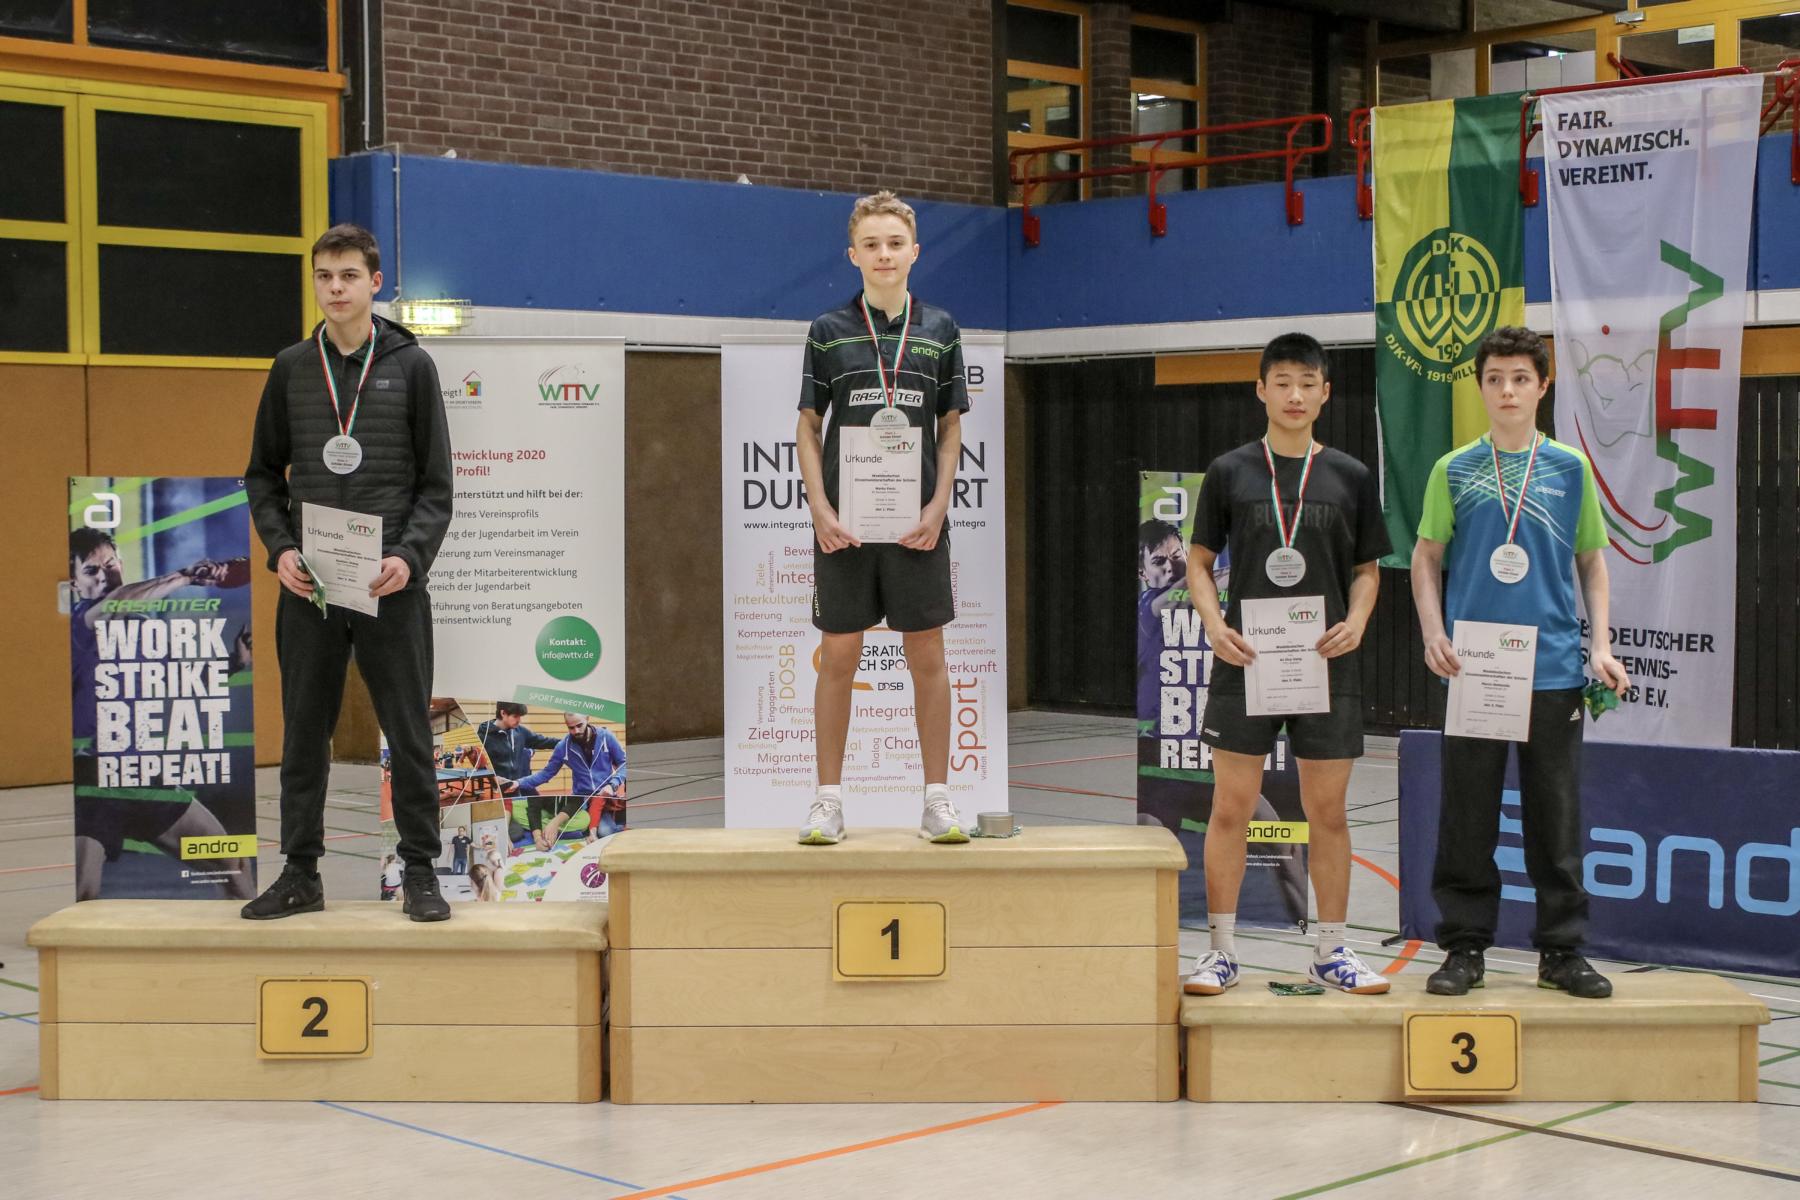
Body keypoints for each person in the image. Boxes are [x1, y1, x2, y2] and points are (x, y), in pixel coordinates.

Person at [241, 223, 454, 922]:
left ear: (375, 282)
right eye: (324, 276)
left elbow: (436, 487)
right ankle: (300, 873)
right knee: (304, 734)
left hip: (391, 585)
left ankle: (420, 872)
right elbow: (261, 475)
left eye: (348, 276)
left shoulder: (412, 366)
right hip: (312, 587)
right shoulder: (291, 368)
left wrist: (408, 558)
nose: (335, 288)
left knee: (409, 732)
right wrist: (281, 550)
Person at [1411, 326, 1630, 1001]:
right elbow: (1426, 558)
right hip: (1474, 668)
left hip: (1554, 668)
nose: (1507, 390)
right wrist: (1433, 632)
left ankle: (1562, 953)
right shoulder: (1453, 469)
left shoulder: (1569, 468)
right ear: (1480, 387)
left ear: (1542, 385)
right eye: (1495, 378)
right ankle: (1465, 947)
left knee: (1554, 820)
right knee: (1467, 817)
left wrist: (1600, 644)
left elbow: (1593, 562)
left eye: (1520, 378)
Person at [1182, 332, 1392, 997]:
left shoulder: (1351, 476)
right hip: (1246, 661)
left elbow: (1367, 570)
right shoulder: (1230, 472)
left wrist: (1357, 621)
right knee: (1231, 808)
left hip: (1325, 665)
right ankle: (1220, 952)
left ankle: (1332, 950)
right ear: (1261, 390)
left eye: (1307, 383)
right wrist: (1215, 626)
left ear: (1326, 392)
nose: (1295, 395)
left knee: (1327, 811)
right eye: (1283, 383)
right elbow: (1197, 561)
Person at [795, 190, 972, 846]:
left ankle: (937, 801)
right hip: (845, 527)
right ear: (853, 255)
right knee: (838, 657)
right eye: (871, 244)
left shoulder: (942, 329)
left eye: (895, 243)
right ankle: (828, 802)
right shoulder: (828, 330)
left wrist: (939, 504)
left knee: (928, 656)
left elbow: (949, 428)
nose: (884, 254)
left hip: (915, 526)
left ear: (914, 251)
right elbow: (808, 426)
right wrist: (820, 508)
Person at [68, 528, 254, 901]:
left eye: (110, 564)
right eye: (91, 570)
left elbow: (180, 679)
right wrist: (185, 576)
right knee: (84, 894)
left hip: (144, 774)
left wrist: (234, 662)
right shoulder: (81, 621)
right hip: (94, 779)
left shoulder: (142, 626)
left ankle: (250, 933)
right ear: (75, 584)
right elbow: (118, 600)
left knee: (233, 862)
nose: (105, 575)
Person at [514, 712, 627, 850]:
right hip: (580, 800)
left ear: (587, 719)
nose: (576, 731)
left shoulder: (606, 737)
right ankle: (573, 829)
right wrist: (518, 783)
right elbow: (546, 774)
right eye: (571, 728)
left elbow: (624, 764)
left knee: (605, 832)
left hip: (603, 798)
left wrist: (613, 784)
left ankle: (593, 828)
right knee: (582, 828)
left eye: (579, 725)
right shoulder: (563, 747)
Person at [477, 702, 559, 796]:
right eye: (515, 716)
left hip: (518, 786)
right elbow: (481, 764)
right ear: (503, 713)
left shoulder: (520, 731)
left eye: (520, 717)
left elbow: (543, 741)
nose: (519, 720)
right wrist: (494, 779)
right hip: (500, 792)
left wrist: (566, 742)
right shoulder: (483, 736)